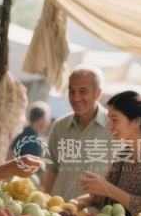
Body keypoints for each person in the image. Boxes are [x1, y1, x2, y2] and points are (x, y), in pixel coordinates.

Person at [43, 65, 114, 203]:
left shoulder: (114, 127)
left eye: (83, 91)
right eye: (71, 91)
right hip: (58, 214)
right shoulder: (59, 126)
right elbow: (51, 171)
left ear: (97, 93)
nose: (75, 98)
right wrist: (46, 205)